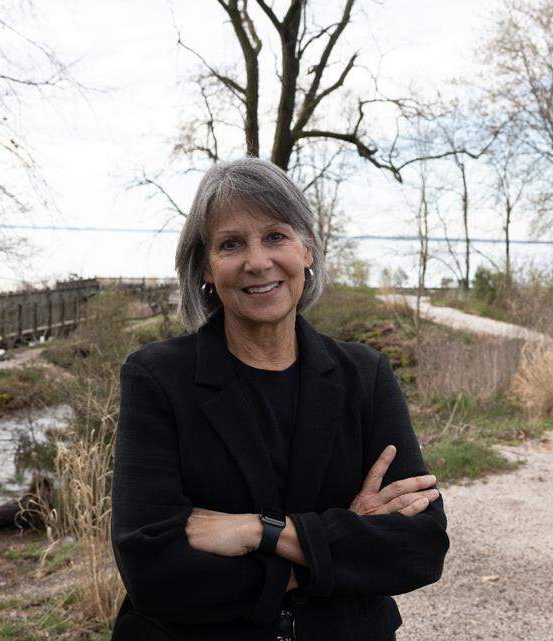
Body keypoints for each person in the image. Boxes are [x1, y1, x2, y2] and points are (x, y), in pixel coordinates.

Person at [110, 158, 448, 641]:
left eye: (275, 236)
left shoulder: (364, 376)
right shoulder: (159, 378)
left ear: (306, 249)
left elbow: (421, 546)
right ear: (206, 267)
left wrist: (260, 531)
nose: (257, 261)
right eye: (231, 244)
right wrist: (334, 548)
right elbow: (154, 573)